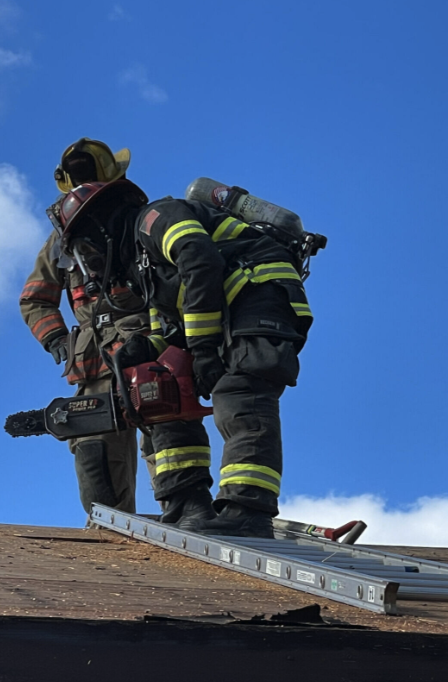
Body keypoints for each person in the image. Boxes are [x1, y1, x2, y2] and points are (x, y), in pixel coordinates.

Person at [45, 177, 313, 538]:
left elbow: (199, 260)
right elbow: (167, 323)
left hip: (260, 293)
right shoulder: (140, 264)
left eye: (87, 250)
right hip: (223, 313)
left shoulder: (156, 218)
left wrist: (202, 347)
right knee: (160, 388)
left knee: (240, 396)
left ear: (100, 228)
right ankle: (187, 502)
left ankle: (247, 509)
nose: (90, 264)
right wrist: (146, 350)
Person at [19, 138, 153, 515]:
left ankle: (181, 516)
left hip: (147, 349)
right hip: (98, 361)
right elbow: (35, 298)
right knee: (95, 449)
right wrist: (57, 339)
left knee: (168, 439)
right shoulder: (63, 238)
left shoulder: (140, 221)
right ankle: (112, 532)